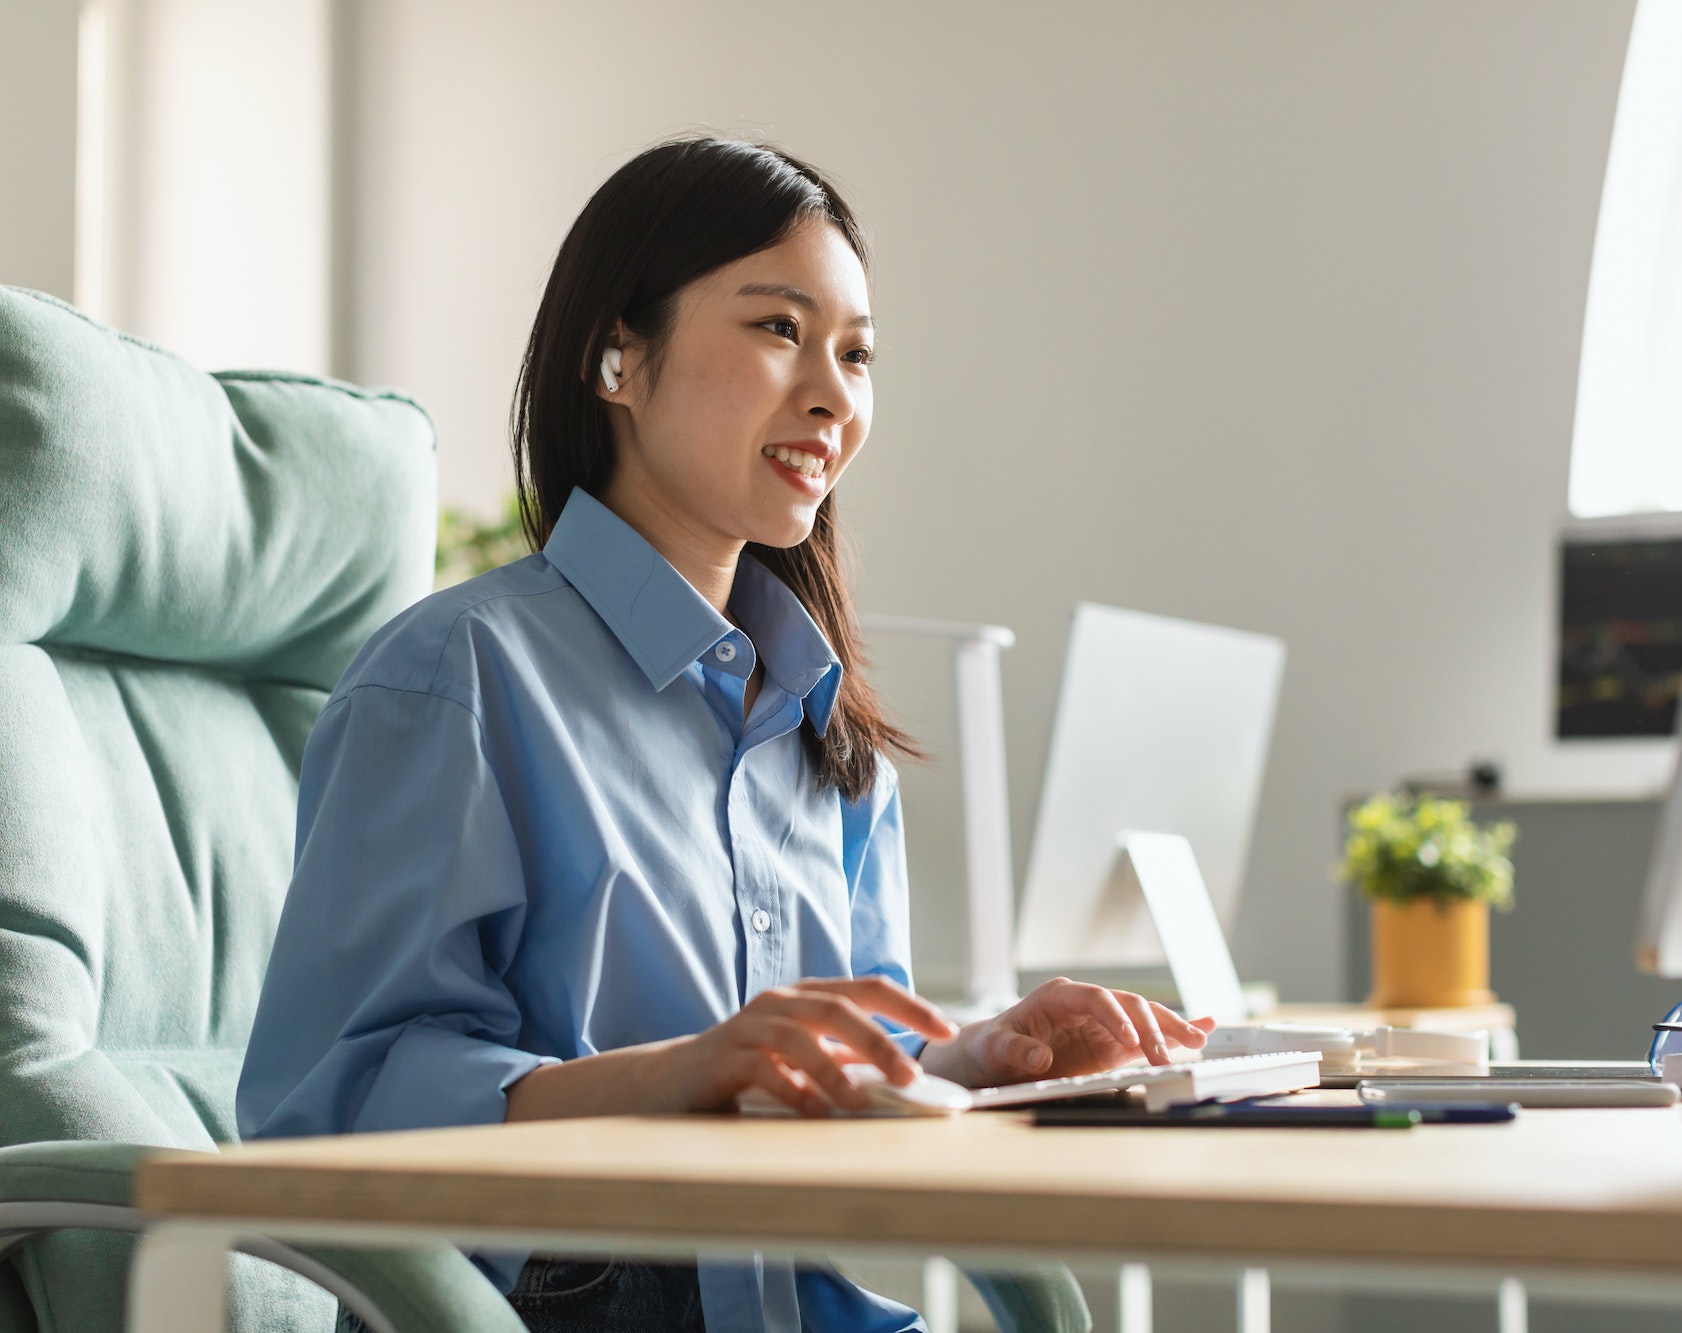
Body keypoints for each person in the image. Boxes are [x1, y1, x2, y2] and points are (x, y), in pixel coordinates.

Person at [236, 136, 1214, 1333]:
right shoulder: (457, 677)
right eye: (777, 329)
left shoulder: (824, 727)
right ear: (616, 355)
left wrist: (974, 1059)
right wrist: (675, 1077)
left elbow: (850, 1093)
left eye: (856, 354)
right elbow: (324, 1113)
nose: (832, 394)